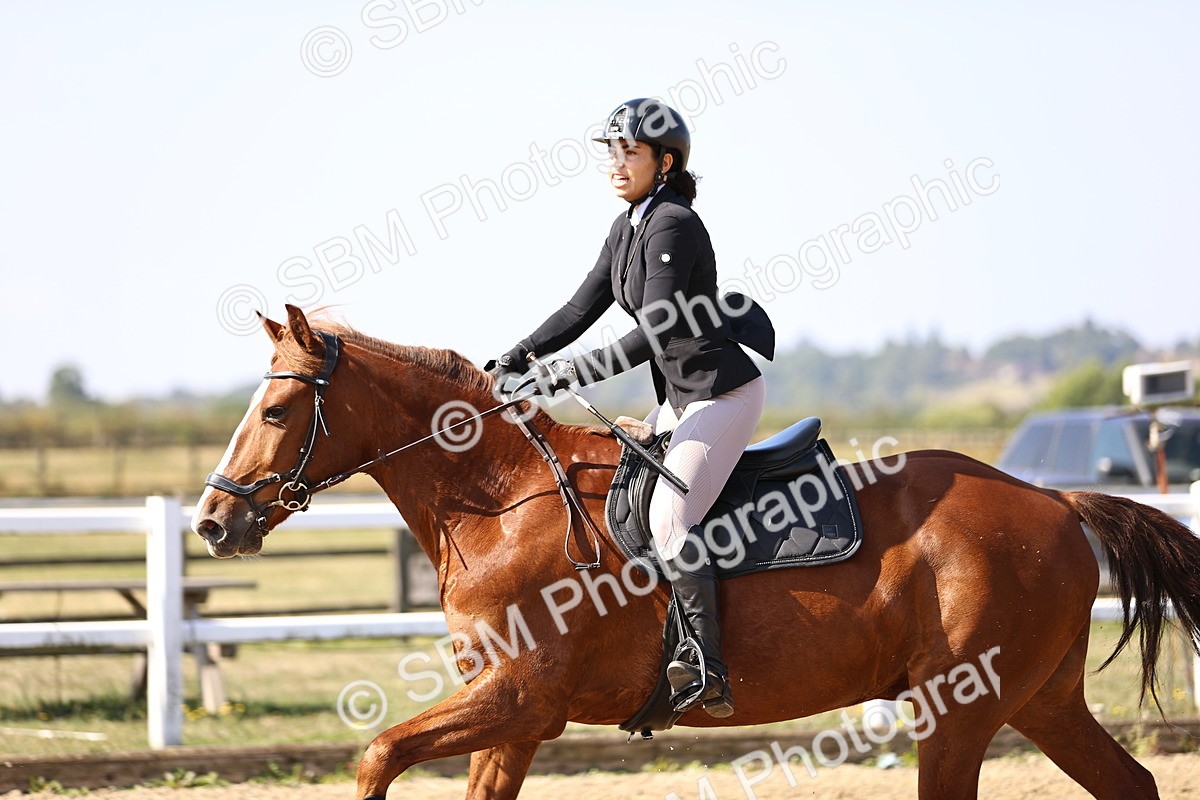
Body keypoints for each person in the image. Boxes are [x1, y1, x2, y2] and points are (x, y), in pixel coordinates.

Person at [488, 98, 773, 718]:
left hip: (720, 393)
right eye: (611, 152)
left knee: (671, 522)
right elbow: (578, 308)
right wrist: (516, 355)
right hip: (679, 398)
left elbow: (657, 327)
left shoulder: (674, 223)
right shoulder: (628, 226)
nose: (616, 163)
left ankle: (708, 666)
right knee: (625, 502)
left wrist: (570, 372)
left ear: (664, 163)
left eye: (631, 152)